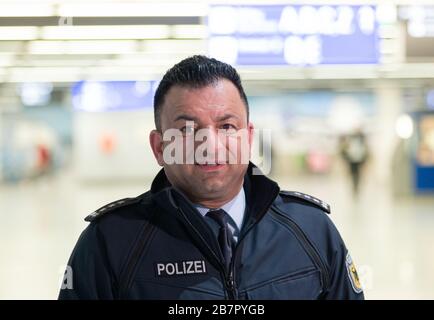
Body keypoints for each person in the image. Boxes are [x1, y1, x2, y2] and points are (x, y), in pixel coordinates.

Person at [59, 55, 364, 300]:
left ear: (248, 137)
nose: (210, 145)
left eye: (227, 127)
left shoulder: (311, 231)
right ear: (160, 147)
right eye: (188, 130)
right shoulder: (111, 242)